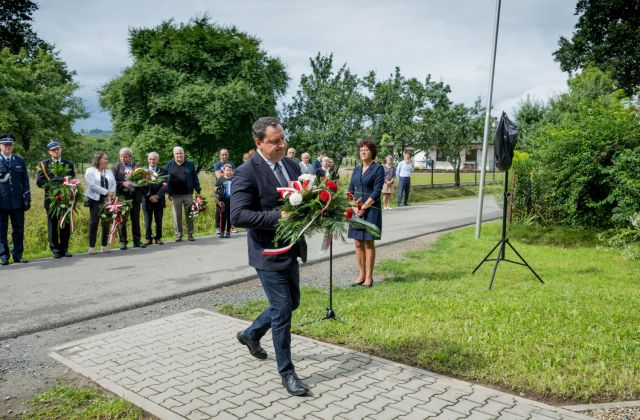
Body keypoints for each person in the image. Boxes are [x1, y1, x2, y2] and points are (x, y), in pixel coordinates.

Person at [231, 117, 309, 396]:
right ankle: (287, 373)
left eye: (283, 138)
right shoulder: (245, 172)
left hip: (291, 247)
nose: (282, 145)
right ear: (258, 143)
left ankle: (251, 334)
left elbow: (300, 197)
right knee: (282, 311)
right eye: (275, 141)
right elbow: (238, 215)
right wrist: (279, 216)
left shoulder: (290, 164)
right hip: (267, 252)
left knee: (292, 303)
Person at [348, 139, 385, 287]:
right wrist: (353, 206)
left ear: (372, 152)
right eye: (361, 150)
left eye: (366, 150)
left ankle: (369, 277)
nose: (363, 152)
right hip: (356, 210)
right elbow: (350, 190)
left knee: (368, 243)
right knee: (357, 243)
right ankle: (361, 274)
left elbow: (377, 191)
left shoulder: (378, 169)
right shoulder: (356, 169)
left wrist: (364, 206)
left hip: (371, 210)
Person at [35, 140, 76, 258]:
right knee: (52, 225)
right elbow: (39, 182)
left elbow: (73, 179)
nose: (56, 151)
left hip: (66, 199)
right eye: (53, 150)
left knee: (65, 224)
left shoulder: (68, 163)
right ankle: (55, 250)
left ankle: (65, 248)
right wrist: (52, 184)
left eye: (58, 149)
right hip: (51, 199)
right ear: (49, 152)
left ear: (61, 150)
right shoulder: (44, 164)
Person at [0, 134, 30, 265]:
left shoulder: (19, 161)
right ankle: (4, 256)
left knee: (18, 230)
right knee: (1, 230)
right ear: (0, 146)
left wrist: (27, 198)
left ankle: (18, 255)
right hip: (1, 201)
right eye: (5, 144)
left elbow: (25, 180)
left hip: (17, 201)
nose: (8, 147)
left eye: (10, 145)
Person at [166, 146, 201, 242]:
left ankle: (190, 234)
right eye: (177, 153)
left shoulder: (189, 164)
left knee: (190, 214)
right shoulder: (169, 164)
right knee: (177, 216)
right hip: (175, 195)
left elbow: (195, 178)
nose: (179, 155)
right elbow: (165, 179)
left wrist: (198, 191)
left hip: (188, 194)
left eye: (181, 153)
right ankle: (178, 235)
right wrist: (167, 192)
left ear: (184, 154)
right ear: (174, 155)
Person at [112, 148, 145, 250]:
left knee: (135, 219)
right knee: (122, 220)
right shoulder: (115, 167)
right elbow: (113, 182)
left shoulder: (137, 166)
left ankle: (137, 241)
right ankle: (123, 242)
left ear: (131, 157)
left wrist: (138, 182)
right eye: (121, 156)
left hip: (135, 197)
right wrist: (123, 183)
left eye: (125, 157)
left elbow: (143, 179)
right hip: (122, 197)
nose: (123, 158)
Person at [84, 152, 116, 255]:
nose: (107, 161)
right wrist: (106, 192)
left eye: (107, 159)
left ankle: (104, 245)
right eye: (104, 159)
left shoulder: (109, 171)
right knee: (94, 222)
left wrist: (110, 193)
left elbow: (113, 183)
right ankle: (92, 246)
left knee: (106, 222)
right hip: (95, 199)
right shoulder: (90, 171)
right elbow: (92, 185)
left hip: (107, 199)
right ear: (98, 160)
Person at [141, 152, 167, 245]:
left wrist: (157, 196)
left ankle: (158, 238)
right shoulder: (143, 171)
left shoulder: (163, 170)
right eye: (150, 159)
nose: (152, 161)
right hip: (147, 200)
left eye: (154, 159)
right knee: (147, 221)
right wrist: (149, 196)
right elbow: (141, 186)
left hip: (159, 199)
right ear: (148, 160)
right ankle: (148, 238)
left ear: (157, 160)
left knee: (159, 220)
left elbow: (165, 185)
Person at [215, 163, 233, 238]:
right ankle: (222, 231)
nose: (228, 171)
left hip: (231, 201)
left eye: (230, 170)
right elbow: (215, 190)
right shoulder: (220, 179)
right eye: (227, 170)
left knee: (230, 217)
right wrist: (217, 201)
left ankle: (228, 231)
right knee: (223, 217)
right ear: (223, 171)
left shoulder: (234, 179)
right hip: (222, 202)